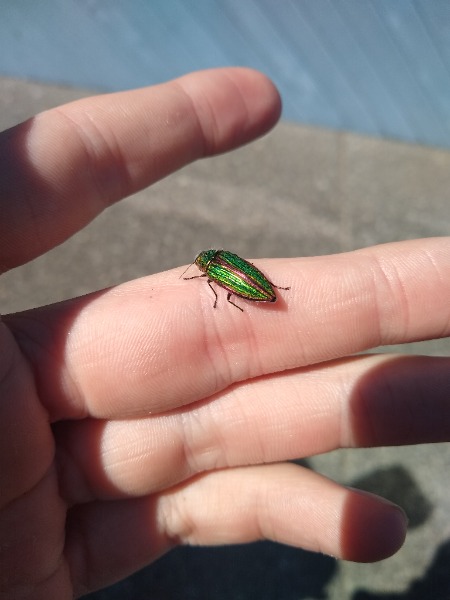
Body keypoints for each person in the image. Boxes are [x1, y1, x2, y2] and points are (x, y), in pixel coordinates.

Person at [1, 67, 449, 600]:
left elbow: (224, 280)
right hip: (252, 282)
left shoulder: (215, 270)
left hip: (251, 283)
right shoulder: (219, 266)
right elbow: (230, 275)